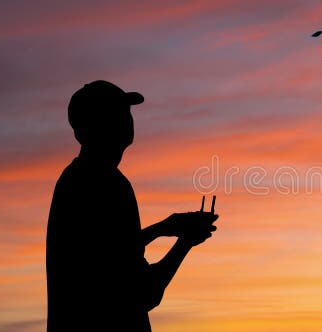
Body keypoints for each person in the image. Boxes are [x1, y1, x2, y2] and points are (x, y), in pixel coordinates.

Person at [46, 80, 218, 331]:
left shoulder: (74, 179)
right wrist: (185, 243)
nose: (128, 118)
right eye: (120, 111)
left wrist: (161, 228)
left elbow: (105, 251)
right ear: (102, 123)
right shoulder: (109, 185)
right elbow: (142, 292)